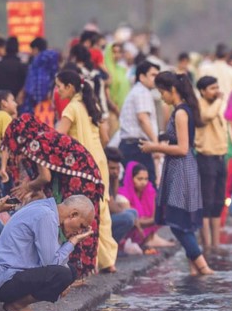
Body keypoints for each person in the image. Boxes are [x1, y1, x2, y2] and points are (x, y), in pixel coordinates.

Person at [2, 114, 104, 279]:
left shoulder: (35, 143)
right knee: (77, 226)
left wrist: (27, 186)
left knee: (79, 225)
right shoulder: (45, 137)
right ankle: (74, 272)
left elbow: (45, 177)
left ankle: (75, 273)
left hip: (81, 178)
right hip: (87, 176)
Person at [142, 72, 213, 276]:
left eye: (162, 92)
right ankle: (195, 268)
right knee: (183, 221)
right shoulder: (180, 110)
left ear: (172, 90)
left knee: (178, 222)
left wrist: (155, 147)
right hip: (180, 167)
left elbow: (182, 148)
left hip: (181, 168)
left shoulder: (181, 112)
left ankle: (203, 266)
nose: (162, 97)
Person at [0, 194, 95, 311]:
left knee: (70, 272)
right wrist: (73, 241)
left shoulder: (45, 209)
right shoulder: (46, 215)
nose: (79, 231)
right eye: (81, 226)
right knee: (63, 275)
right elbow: (52, 264)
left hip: (8, 277)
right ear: (73, 214)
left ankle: (19, 304)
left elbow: (53, 262)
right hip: (2, 281)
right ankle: (17, 305)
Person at [54, 70, 117, 273]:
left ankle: (87, 265)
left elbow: (57, 137)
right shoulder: (92, 104)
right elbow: (105, 137)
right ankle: (108, 261)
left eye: (59, 86)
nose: (57, 90)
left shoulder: (71, 108)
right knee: (102, 209)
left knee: (84, 212)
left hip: (84, 167)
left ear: (70, 87)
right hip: (100, 161)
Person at [194, 75, 229, 250]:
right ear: (202, 91)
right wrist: (219, 100)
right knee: (206, 202)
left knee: (218, 202)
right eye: (212, 88)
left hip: (220, 157)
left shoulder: (216, 105)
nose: (217, 91)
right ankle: (206, 245)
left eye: (217, 87)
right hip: (206, 158)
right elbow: (206, 116)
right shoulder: (199, 105)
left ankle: (216, 244)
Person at [118, 60, 160, 189]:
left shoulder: (139, 91)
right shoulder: (142, 92)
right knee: (147, 186)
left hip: (132, 145)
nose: (156, 78)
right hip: (137, 147)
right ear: (142, 77)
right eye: (153, 75)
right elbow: (143, 118)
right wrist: (156, 144)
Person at [116, 161, 173, 248]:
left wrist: (145, 221)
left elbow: (155, 218)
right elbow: (132, 221)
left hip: (144, 228)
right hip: (129, 232)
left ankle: (150, 239)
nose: (144, 182)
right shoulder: (123, 195)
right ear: (131, 179)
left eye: (146, 179)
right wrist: (148, 221)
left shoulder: (150, 192)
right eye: (140, 179)